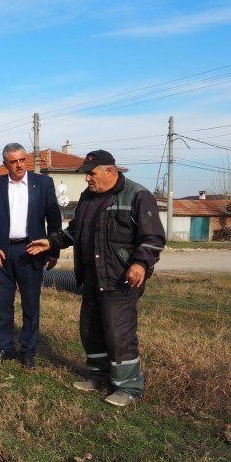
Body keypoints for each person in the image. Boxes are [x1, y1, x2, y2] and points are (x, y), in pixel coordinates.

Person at [27, 150, 165, 406]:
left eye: (91, 173)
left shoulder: (137, 195)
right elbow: (75, 231)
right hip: (91, 275)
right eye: (86, 173)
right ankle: (98, 375)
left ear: (110, 171)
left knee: (118, 332)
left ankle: (129, 387)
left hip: (120, 277)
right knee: (90, 328)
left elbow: (153, 238)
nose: (87, 178)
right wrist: (51, 242)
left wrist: (140, 263)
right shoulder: (88, 197)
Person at [0, 143, 62, 369]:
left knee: (31, 304)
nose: (18, 165)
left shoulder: (43, 183)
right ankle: (5, 347)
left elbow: (54, 219)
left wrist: (53, 250)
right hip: (3, 253)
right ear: (5, 163)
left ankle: (28, 351)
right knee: (3, 304)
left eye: (22, 160)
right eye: (13, 161)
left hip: (31, 251)